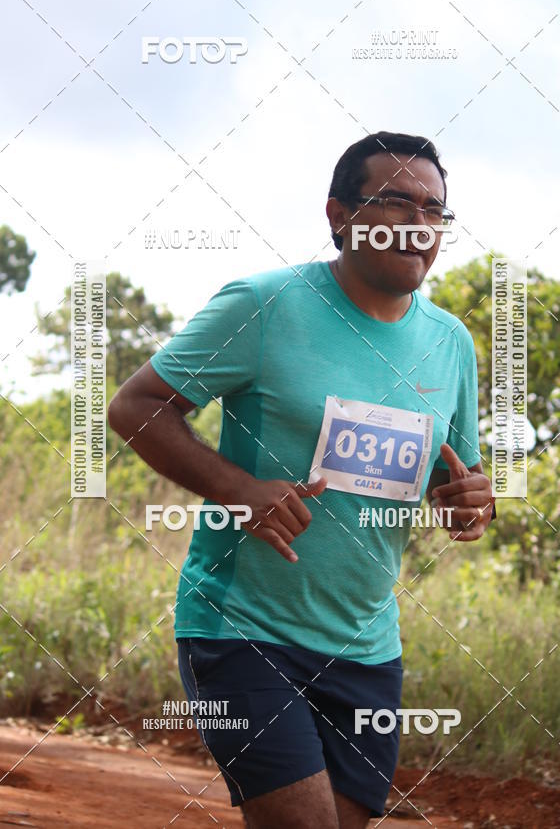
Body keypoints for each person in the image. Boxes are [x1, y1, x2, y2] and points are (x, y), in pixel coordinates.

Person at [108, 131, 495, 829]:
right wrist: (240, 490)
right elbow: (136, 407)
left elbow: (457, 485)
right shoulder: (264, 305)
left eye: (435, 210)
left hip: (367, 647)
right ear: (339, 215)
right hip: (243, 628)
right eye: (394, 202)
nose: (418, 224)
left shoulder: (452, 343)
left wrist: (472, 506)